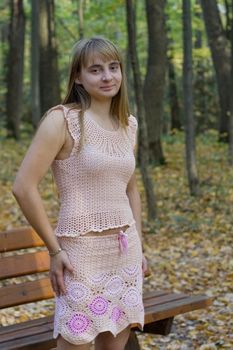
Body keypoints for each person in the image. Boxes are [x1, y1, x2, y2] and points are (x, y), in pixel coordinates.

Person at [13, 37, 148, 350]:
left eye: (113, 68)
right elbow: (23, 187)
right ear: (78, 77)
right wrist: (55, 250)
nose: (107, 76)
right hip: (80, 258)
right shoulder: (62, 120)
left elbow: (130, 187)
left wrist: (139, 243)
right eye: (96, 69)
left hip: (124, 254)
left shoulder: (128, 125)